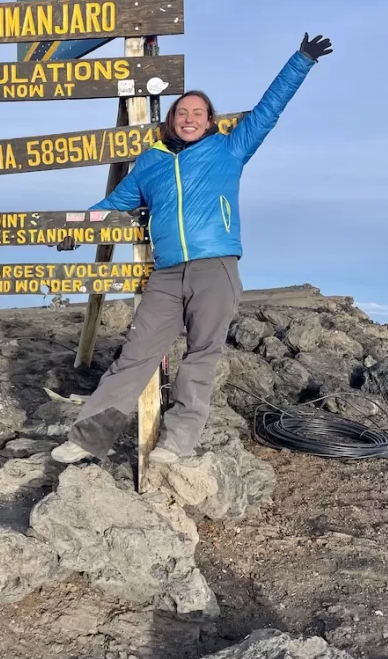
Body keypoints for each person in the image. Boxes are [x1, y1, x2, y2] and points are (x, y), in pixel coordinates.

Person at [51, 33, 333, 466]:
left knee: (201, 356)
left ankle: (176, 442)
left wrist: (301, 61)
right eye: (182, 112)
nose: (189, 118)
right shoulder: (151, 162)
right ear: (172, 120)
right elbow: (113, 205)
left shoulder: (229, 148)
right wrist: (75, 226)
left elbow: (268, 111)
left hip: (215, 267)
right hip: (165, 275)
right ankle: (88, 438)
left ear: (209, 120)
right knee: (135, 355)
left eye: (197, 113)